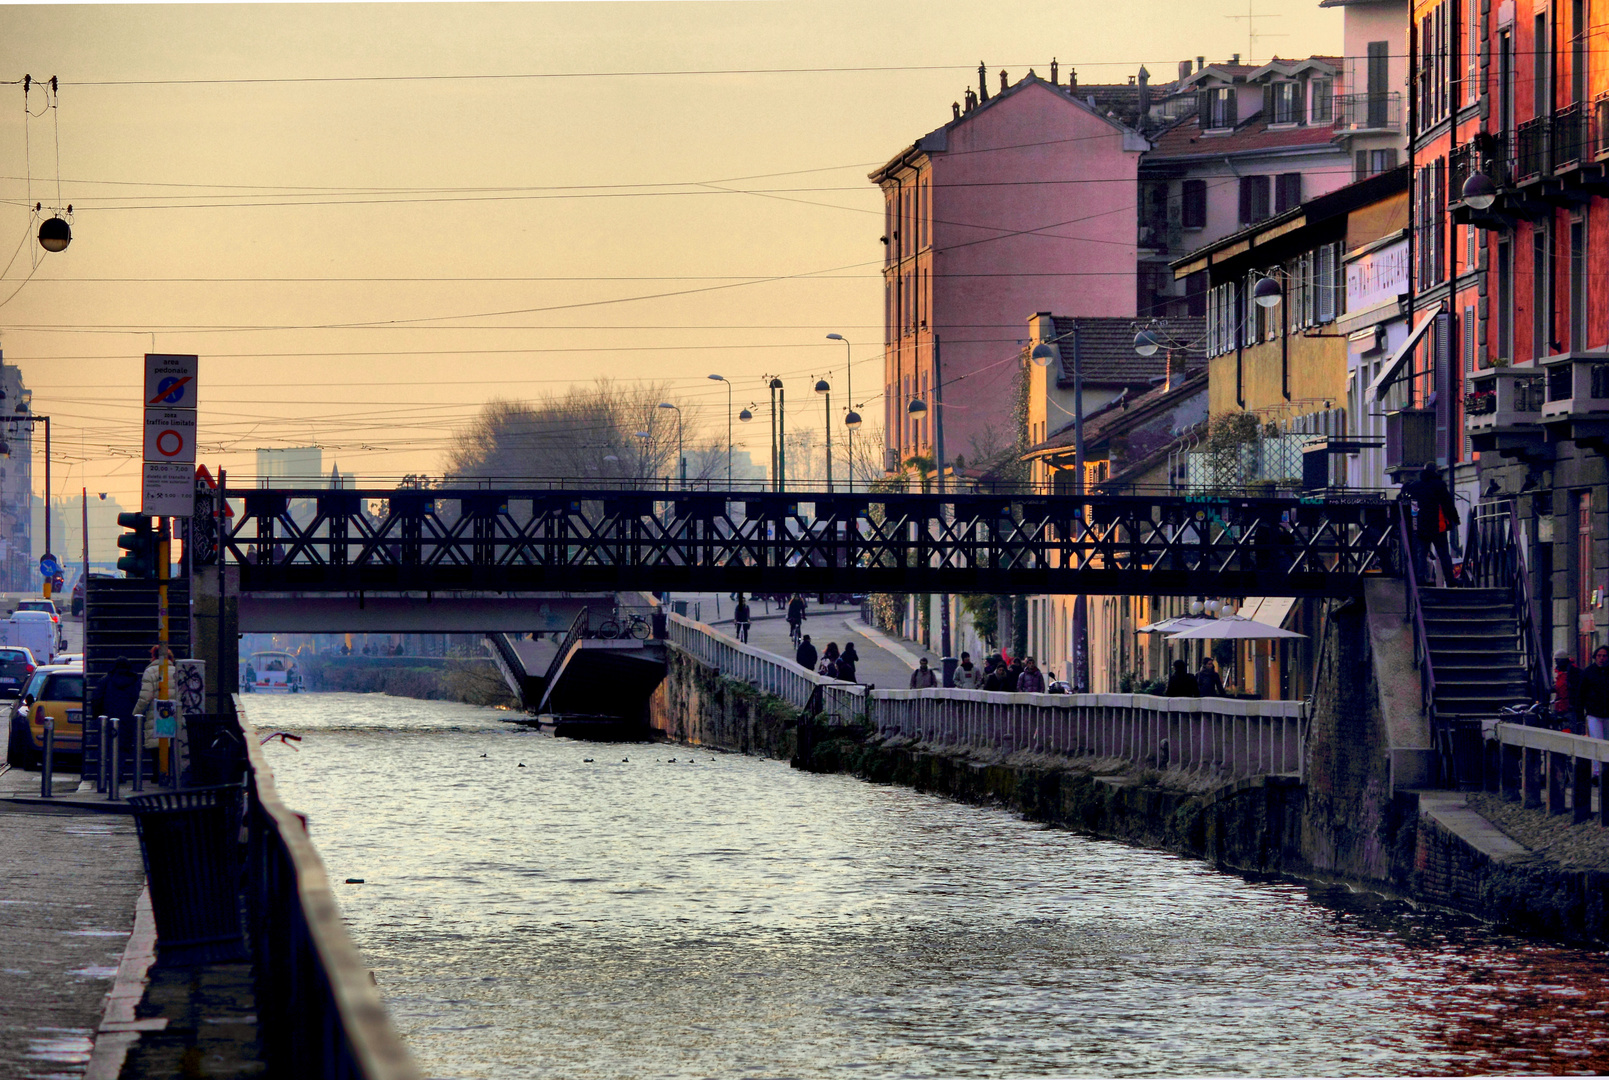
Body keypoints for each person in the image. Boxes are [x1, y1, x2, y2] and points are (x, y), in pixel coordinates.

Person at [1402, 464, 1462, 587]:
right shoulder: (1439, 485)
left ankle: (1420, 580)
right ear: (1435, 471)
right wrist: (1455, 519)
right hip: (1437, 525)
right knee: (1444, 555)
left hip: (1420, 526)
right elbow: (1448, 503)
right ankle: (1450, 580)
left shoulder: (1416, 486)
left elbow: (1405, 499)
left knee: (1421, 554)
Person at [1581, 646, 1609, 777]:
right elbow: (1581, 692)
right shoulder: (1588, 672)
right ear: (1595, 657)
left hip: (1608, 713)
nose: (1602, 658)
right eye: (1599, 655)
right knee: (1597, 741)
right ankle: (1597, 772)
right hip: (1594, 713)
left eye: (1604, 656)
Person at [91, 656, 141, 725]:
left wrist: (96, 715)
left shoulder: (105, 680)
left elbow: (97, 699)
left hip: (109, 719)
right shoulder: (136, 681)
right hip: (130, 720)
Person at [1554, 652, 1585, 733]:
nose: (1556, 663)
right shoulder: (1562, 672)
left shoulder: (1573, 672)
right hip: (1561, 706)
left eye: (1557, 660)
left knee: (1569, 729)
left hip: (1569, 707)